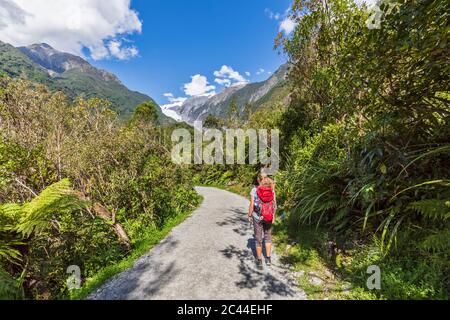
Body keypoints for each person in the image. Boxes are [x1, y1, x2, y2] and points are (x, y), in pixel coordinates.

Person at [248, 172, 276, 269]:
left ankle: (259, 261)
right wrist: (273, 216)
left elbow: (252, 205)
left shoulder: (254, 190)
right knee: (268, 237)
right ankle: (268, 259)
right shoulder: (271, 190)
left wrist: (249, 215)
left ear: (258, 180)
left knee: (258, 239)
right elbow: (274, 205)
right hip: (268, 217)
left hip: (257, 217)